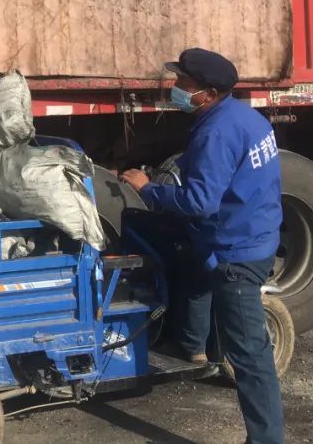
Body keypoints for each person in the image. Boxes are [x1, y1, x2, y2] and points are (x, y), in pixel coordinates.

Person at [119, 48, 284, 444]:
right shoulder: (247, 118)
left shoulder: (216, 133)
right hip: (254, 233)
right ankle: (192, 346)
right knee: (190, 261)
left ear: (207, 93)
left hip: (236, 252)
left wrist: (150, 189)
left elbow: (200, 203)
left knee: (250, 357)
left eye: (184, 83)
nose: (176, 88)